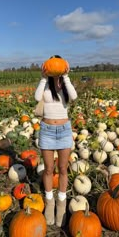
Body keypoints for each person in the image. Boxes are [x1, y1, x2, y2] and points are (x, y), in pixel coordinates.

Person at [34, 55, 77, 227]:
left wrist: (65, 76)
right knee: (49, 169)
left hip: (64, 131)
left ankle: (62, 203)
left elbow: (73, 96)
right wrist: (44, 77)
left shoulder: (66, 85)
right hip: (47, 131)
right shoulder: (46, 84)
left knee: (62, 169)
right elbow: (37, 97)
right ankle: (50, 202)